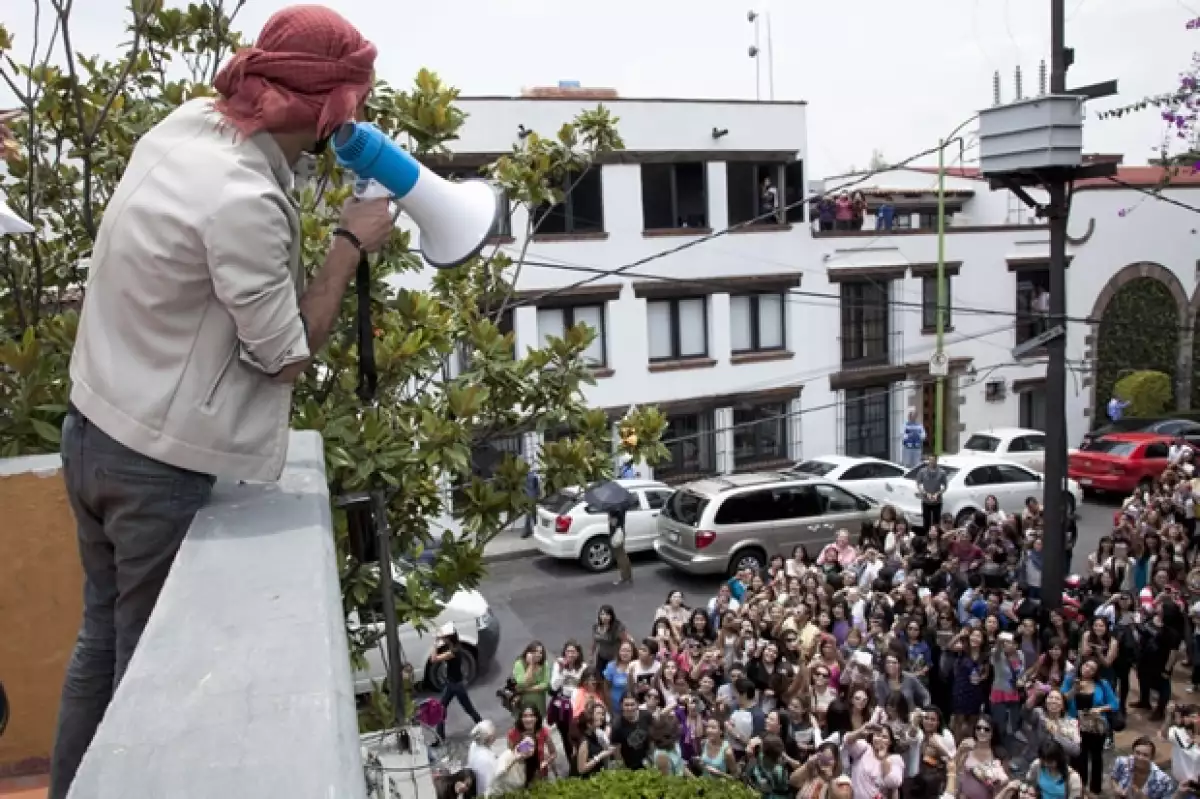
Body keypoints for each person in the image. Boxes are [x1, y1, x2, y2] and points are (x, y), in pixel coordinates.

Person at [48, 9, 392, 797]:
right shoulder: (245, 198)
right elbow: (285, 355)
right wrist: (348, 245)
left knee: (97, 642)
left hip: (91, 429)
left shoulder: (185, 127)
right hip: (156, 467)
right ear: (328, 107)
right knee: (147, 686)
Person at [434, 624, 483, 740]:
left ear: (449, 638)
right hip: (452, 684)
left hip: (455, 685)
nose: (443, 639)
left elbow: (434, 659)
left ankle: (483, 727)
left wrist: (434, 644)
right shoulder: (454, 647)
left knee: (468, 709)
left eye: (445, 637)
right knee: (442, 709)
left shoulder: (453, 652)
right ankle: (440, 737)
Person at [914, 455, 948, 533]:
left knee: (936, 521)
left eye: (933, 460)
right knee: (926, 521)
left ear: (936, 460)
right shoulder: (922, 471)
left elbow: (945, 486)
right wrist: (925, 493)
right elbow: (918, 484)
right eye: (930, 460)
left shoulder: (942, 472)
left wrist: (937, 493)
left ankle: (936, 537)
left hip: (937, 501)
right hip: (926, 500)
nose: (932, 462)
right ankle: (926, 537)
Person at [609, 508, 633, 586]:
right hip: (621, 532)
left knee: (620, 557)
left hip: (616, 534)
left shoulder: (614, 510)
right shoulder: (621, 508)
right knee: (623, 555)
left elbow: (613, 523)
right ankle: (628, 576)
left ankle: (624, 577)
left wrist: (610, 518)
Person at [522, 467, 541, 539]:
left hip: (531, 495)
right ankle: (535, 528)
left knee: (530, 511)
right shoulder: (532, 475)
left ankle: (529, 529)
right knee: (532, 512)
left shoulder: (532, 475)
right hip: (531, 494)